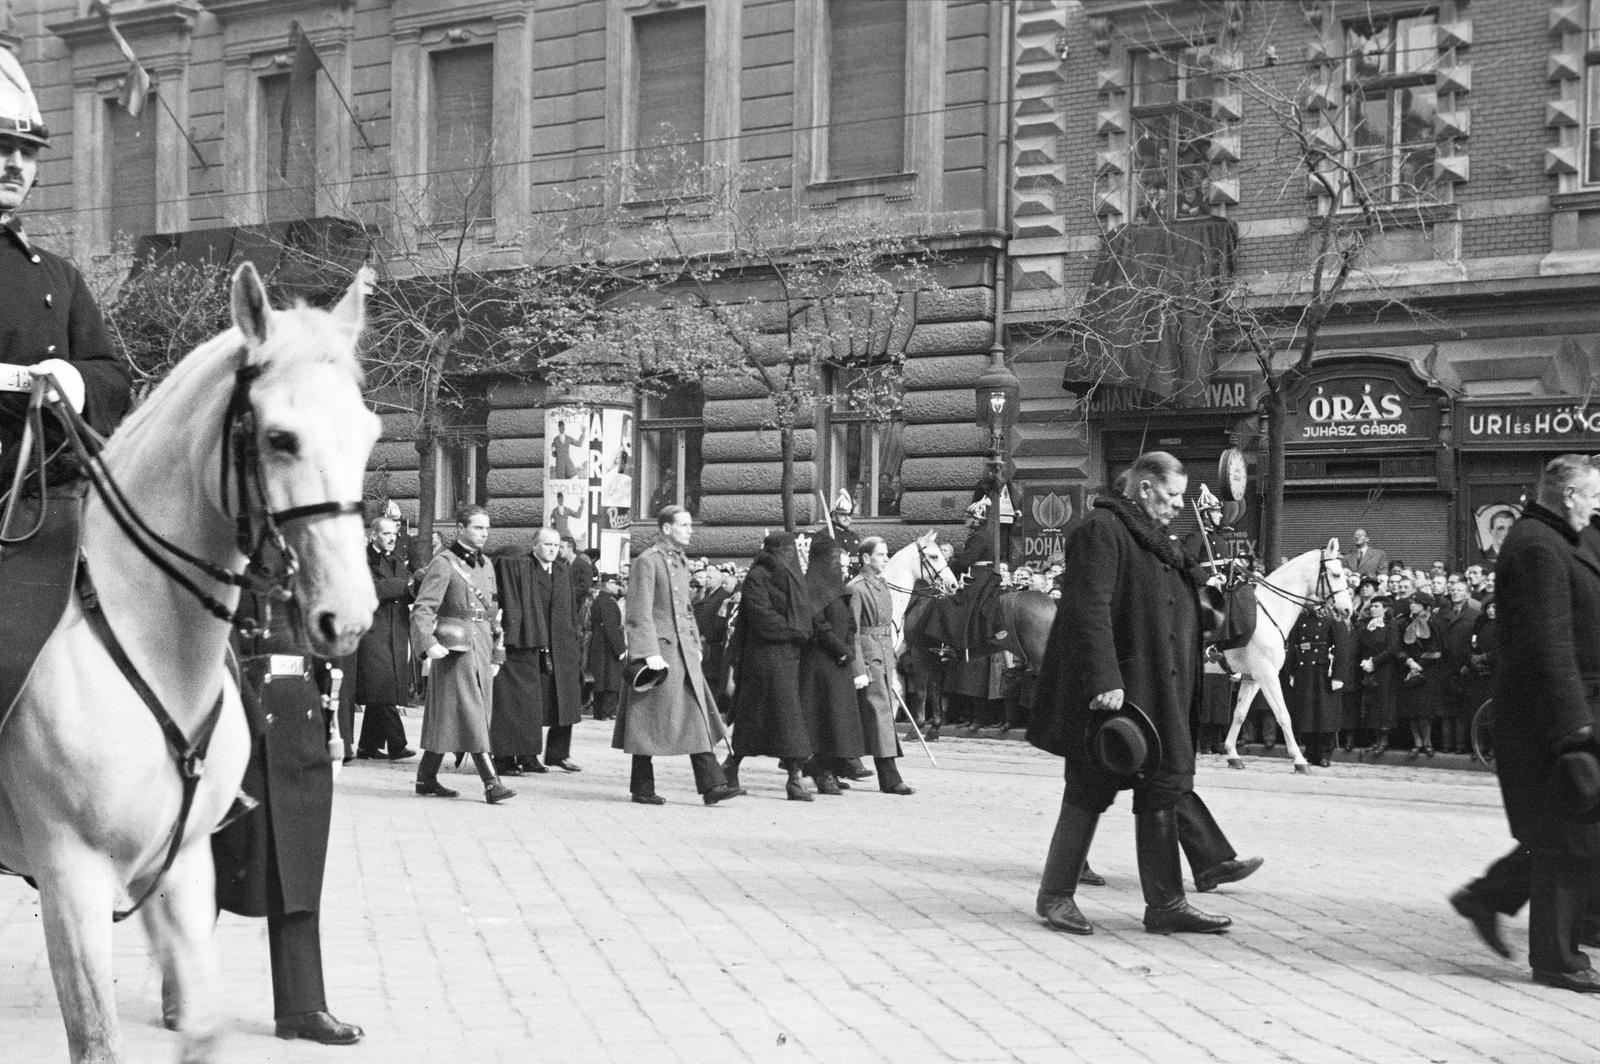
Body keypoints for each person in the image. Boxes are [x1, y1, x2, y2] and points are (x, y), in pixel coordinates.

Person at [1026, 451, 1233, 937]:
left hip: (1160, 689)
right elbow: (1087, 611)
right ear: (1144, 488)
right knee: (1087, 790)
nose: (1178, 506)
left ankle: (1166, 905)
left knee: (1162, 789)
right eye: (1172, 495)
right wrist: (1104, 681)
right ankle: (1055, 896)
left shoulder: (1156, 540)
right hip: (1116, 693)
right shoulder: (1102, 530)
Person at [1451, 455, 1600, 992]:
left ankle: (1485, 897)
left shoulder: (1559, 539)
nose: (1597, 505)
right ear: (1568, 496)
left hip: (1568, 711)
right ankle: (1558, 959)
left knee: (1565, 827)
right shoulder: (1539, 545)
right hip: (1550, 720)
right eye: (1593, 495)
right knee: (1568, 834)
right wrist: (1573, 732)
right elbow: (1548, 647)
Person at [200, 594, 362, 1045]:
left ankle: (302, 1006)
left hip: (303, 728)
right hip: (237, 729)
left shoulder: (307, 566)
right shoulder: (233, 550)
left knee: (300, 869)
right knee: (214, 863)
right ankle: (184, 988)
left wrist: (335, 731)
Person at [0, 49, 130, 478]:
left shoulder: (60, 276)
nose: (15, 165)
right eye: (2, 148)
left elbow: (112, 377)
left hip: (44, 476)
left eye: (28, 153)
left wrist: (73, 382)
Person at [612, 506, 743, 805]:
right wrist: (647, 652)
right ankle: (643, 788)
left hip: (682, 651)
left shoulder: (681, 562)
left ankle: (712, 785)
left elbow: (686, 609)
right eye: (684, 525)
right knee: (646, 720)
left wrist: (695, 644)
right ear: (666, 528)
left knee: (696, 715)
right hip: (660, 653)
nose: (690, 530)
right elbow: (638, 611)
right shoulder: (648, 561)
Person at [410, 504, 515, 804]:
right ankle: (491, 782)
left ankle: (426, 777)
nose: (484, 534)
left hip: (482, 644)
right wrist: (427, 642)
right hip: (455, 647)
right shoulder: (444, 563)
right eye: (478, 528)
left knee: (454, 715)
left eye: (486, 528)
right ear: (460, 528)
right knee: (472, 712)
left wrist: (498, 650)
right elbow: (423, 608)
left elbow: (494, 611)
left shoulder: (487, 565)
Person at [725, 531, 816, 801]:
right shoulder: (758, 576)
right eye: (786, 550)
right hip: (762, 658)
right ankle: (793, 779)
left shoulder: (793, 577)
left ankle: (732, 767)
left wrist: (802, 630)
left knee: (777, 718)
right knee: (778, 718)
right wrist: (793, 630)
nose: (790, 555)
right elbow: (760, 614)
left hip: (788, 657)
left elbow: (803, 611)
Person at [492, 528, 584, 776]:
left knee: (564, 701)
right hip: (534, 641)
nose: (553, 549)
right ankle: (527, 754)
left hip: (562, 643)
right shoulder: (523, 568)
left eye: (556, 545)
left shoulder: (564, 570)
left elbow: (571, 608)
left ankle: (557, 753)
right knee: (530, 704)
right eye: (547, 544)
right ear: (535, 546)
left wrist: (574, 636)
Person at [799, 535, 867, 795]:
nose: (838, 563)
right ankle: (822, 771)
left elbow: (849, 622)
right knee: (822, 720)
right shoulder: (810, 586)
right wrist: (840, 649)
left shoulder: (838, 587)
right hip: (819, 661)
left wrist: (848, 648)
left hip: (839, 662)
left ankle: (832, 767)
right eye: (833, 558)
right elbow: (818, 624)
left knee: (838, 720)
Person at [848, 537, 916, 795]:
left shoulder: (882, 585)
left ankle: (829, 765)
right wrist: (858, 669)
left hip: (884, 656)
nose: (887, 559)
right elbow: (851, 632)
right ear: (866, 558)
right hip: (868, 657)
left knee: (874, 716)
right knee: (879, 717)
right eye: (881, 554)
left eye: (887, 554)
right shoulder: (856, 588)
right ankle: (889, 777)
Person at [351, 516, 415, 761]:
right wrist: (405, 585)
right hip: (373, 631)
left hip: (395, 629)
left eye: (394, 534)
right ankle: (397, 744)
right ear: (373, 535)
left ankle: (368, 746)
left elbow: (404, 592)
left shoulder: (397, 560)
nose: (392, 538)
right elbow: (373, 590)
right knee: (383, 687)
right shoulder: (363, 560)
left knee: (382, 689)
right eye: (386, 534)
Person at [1433, 574, 1482, 755]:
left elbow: (1476, 642)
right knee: (1445, 710)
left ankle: (1461, 746)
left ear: (1468, 594)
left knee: (1461, 709)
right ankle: (1447, 745)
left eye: (1459, 591)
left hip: (1463, 667)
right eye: (1452, 590)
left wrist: (1468, 663)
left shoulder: (1475, 615)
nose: (1455, 593)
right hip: (1444, 666)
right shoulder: (1442, 614)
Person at [1355, 595, 1402, 756]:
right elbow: (1362, 646)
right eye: (1372, 607)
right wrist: (1364, 662)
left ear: (1385, 608)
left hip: (1386, 670)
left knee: (1384, 704)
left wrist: (1374, 661)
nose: (1373, 609)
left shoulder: (1391, 625)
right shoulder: (1368, 625)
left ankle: (1384, 741)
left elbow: (1393, 648)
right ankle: (1376, 740)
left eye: (1377, 607)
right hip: (1370, 670)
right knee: (1373, 705)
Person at [586, 572, 626, 722]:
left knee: (600, 682)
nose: (618, 587)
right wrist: (620, 650)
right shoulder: (609, 602)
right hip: (608, 648)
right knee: (611, 680)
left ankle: (599, 712)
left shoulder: (599, 601)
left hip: (599, 645)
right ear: (608, 585)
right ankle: (607, 712)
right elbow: (611, 628)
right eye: (616, 584)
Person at [830, 488, 861, 560]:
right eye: (843, 515)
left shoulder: (853, 537)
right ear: (834, 515)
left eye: (849, 515)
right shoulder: (826, 536)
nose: (847, 518)